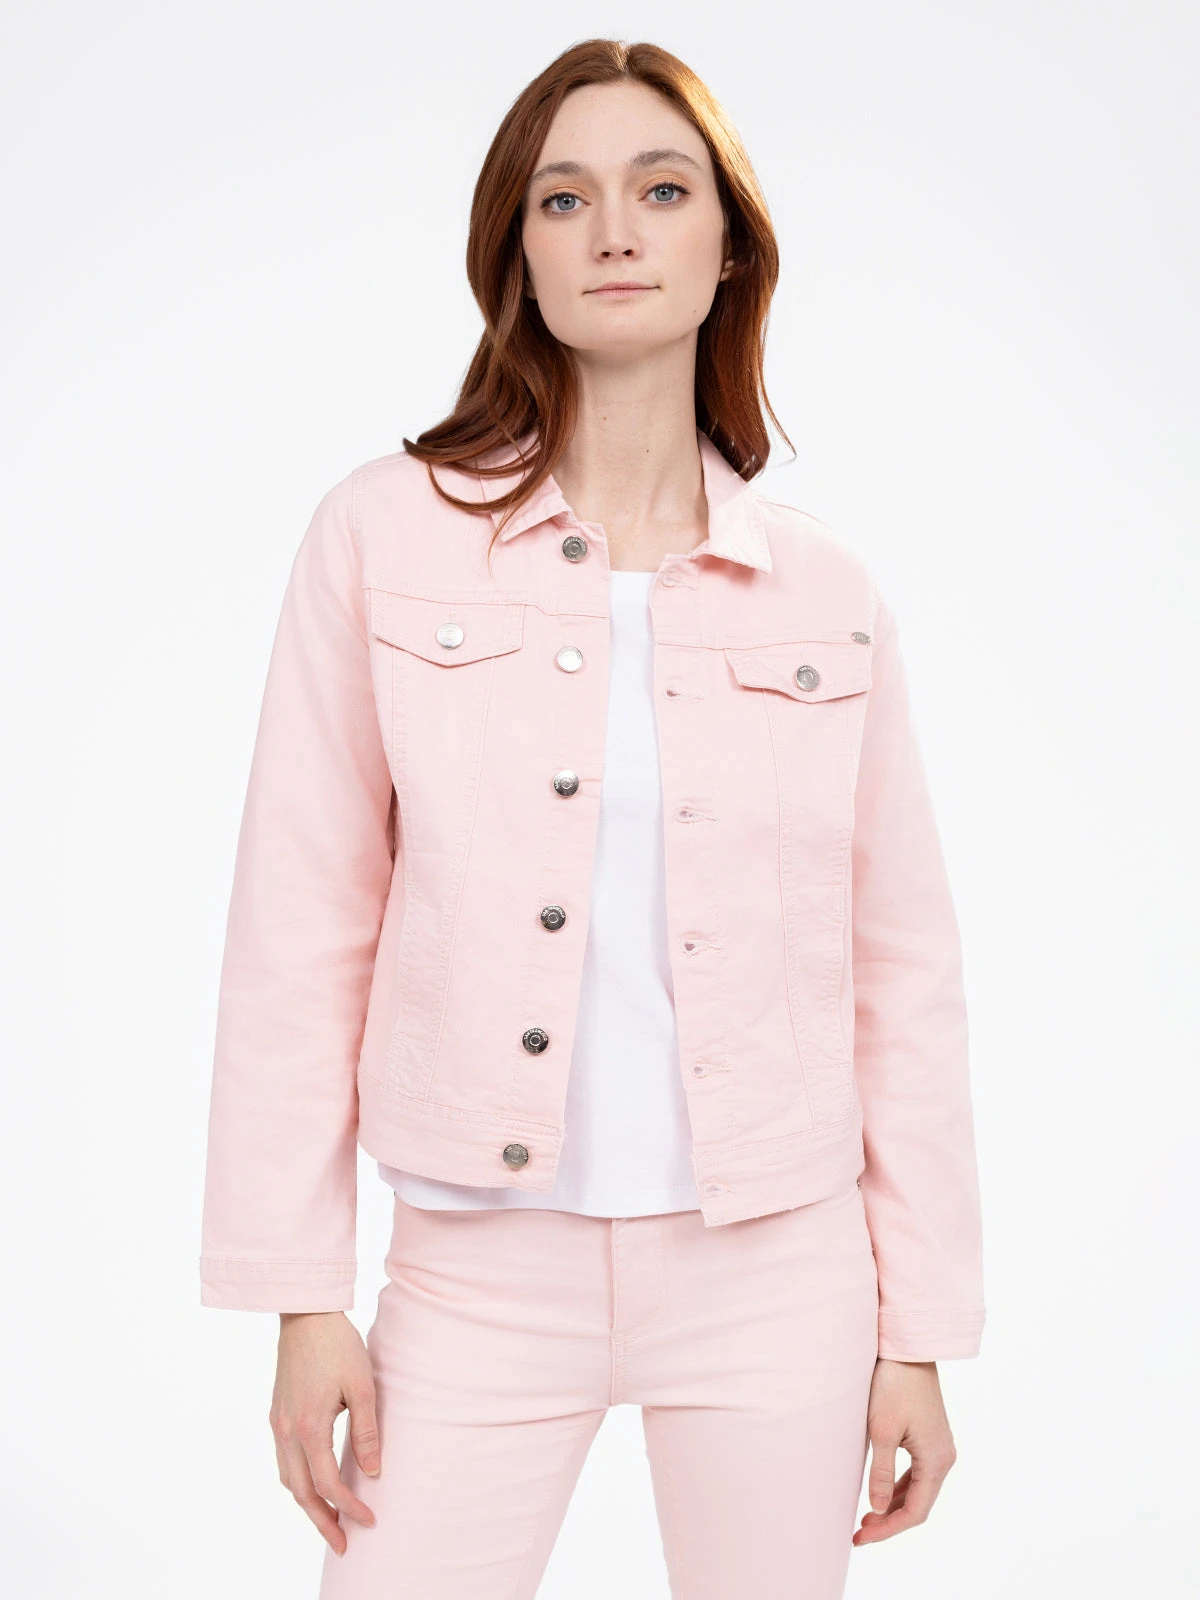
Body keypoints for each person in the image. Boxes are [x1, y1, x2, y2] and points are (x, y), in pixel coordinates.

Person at [198, 36, 986, 1600]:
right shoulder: (380, 538)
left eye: (661, 189)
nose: (614, 230)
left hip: (781, 1272)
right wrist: (301, 1293)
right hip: (477, 1272)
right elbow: (301, 922)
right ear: (518, 251)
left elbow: (904, 972)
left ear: (729, 245)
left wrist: (920, 1331)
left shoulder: (825, 591)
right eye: (564, 199)